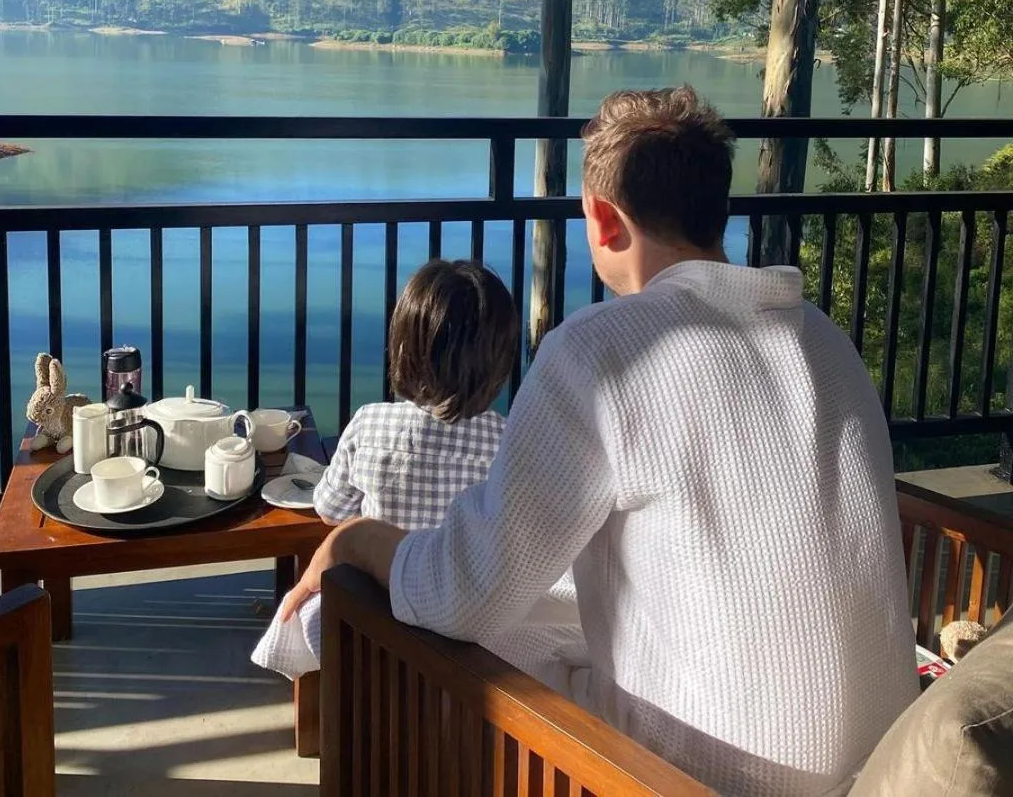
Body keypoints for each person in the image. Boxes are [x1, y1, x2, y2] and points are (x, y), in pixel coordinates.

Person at [281, 87, 919, 796]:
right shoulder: (823, 339)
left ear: (604, 219)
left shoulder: (603, 349)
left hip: (694, 779)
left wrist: (361, 541)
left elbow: (466, 592)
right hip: (882, 764)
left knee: (444, 625)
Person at [254, 257, 583, 686]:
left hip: (373, 620)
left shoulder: (370, 423)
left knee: (317, 602)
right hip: (466, 638)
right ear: (499, 365)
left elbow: (330, 509)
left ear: (402, 349)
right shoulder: (508, 442)